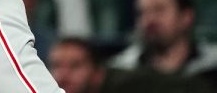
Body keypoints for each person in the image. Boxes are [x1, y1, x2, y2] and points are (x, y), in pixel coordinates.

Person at [110, 0, 217, 87]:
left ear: (186, 17)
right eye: (142, 12)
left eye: (159, 10)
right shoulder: (123, 70)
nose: (149, 20)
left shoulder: (211, 67)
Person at [49, 37, 212, 93]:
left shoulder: (128, 86)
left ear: (97, 71)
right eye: (56, 65)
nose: (63, 75)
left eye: (75, 66)